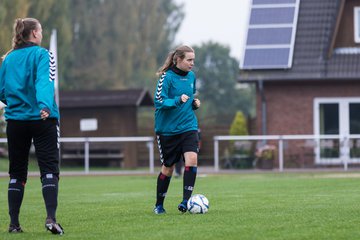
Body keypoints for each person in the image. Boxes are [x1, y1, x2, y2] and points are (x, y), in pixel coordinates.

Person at [0, 18, 64, 234]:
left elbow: (2, 91)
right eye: (41, 30)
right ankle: (51, 219)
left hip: (16, 121)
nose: (42, 34)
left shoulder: (8, 59)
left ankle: (14, 224)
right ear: (34, 34)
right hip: (41, 119)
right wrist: (44, 105)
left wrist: (17, 105)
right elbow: (45, 81)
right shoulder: (42, 54)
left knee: (17, 173)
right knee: (48, 169)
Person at [153, 45, 201, 214]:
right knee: (168, 168)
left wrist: (194, 104)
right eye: (189, 60)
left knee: (192, 159)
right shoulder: (166, 77)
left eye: (193, 60)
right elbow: (159, 101)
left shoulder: (192, 77)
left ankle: (186, 202)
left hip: (188, 126)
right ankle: (159, 205)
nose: (192, 63)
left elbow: (190, 98)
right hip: (167, 130)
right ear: (178, 59)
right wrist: (177, 101)